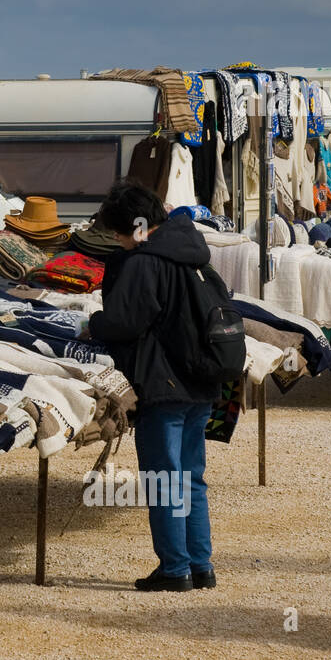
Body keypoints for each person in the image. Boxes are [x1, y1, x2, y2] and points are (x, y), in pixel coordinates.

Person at [89, 179, 220, 592]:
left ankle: (175, 569)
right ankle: (201, 566)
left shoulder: (146, 262)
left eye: (118, 231)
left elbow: (125, 322)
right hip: (202, 381)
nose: (116, 239)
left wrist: (92, 323)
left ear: (136, 227)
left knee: (165, 478)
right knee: (191, 477)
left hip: (164, 387)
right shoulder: (194, 253)